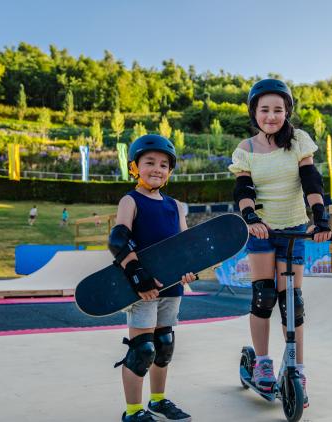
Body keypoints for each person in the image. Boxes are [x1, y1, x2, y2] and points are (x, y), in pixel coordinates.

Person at [228, 79, 332, 408]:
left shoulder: (299, 140)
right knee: (264, 295)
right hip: (261, 230)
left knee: (292, 301)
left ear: (287, 111)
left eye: (278, 109)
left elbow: (310, 179)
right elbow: (243, 190)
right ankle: (261, 363)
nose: (271, 116)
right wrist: (252, 218)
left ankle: (296, 368)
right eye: (265, 110)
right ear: (254, 113)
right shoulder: (246, 148)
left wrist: (320, 216)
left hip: (294, 227)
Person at [110, 134, 197, 422]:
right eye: (149, 163)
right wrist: (138, 277)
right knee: (142, 350)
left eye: (163, 165)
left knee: (164, 344)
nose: (157, 169)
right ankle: (133, 411)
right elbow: (119, 239)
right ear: (135, 167)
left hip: (171, 288)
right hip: (143, 290)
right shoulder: (131, 200)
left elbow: (184, 246)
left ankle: (158, 401)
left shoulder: (175, 206)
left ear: (170, 171)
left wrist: (189, 269)